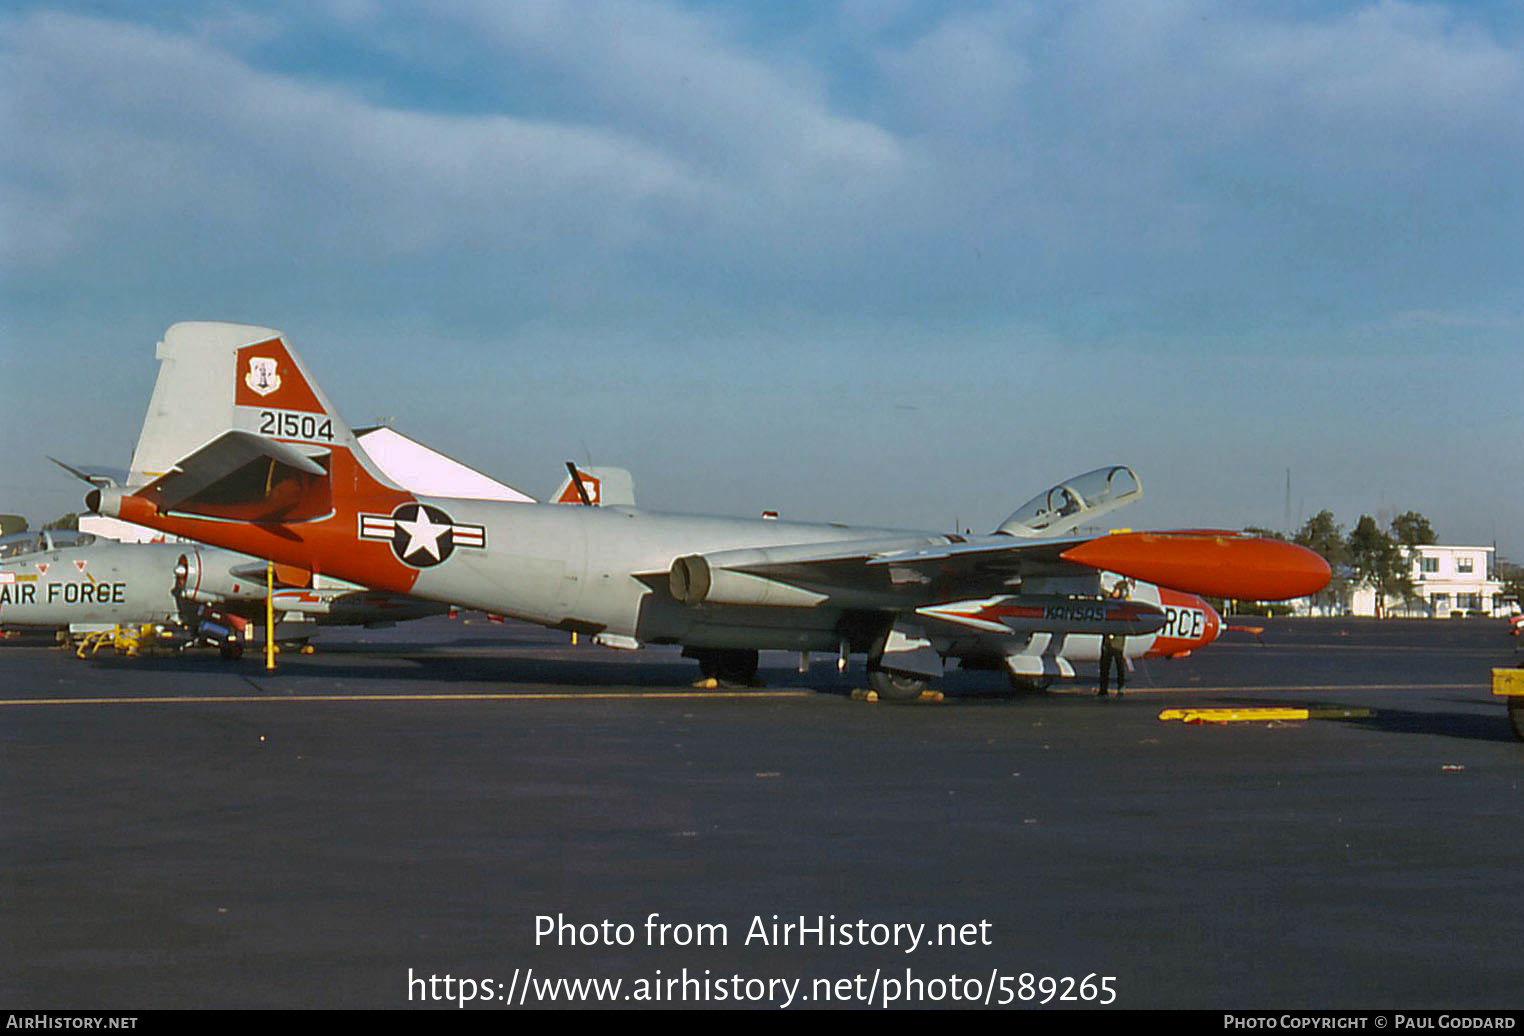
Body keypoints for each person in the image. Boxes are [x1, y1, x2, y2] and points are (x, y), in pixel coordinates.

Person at [1098, 580, 1130, 696]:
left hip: (1117, 643)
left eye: (1116, 590)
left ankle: (1121, 687)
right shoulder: (1110, 600)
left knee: (1118, 665)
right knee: (1104, 666)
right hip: (1107, 641)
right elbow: (1103, 593)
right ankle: (1103, 689)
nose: (1114, 592)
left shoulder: (1123, 606)